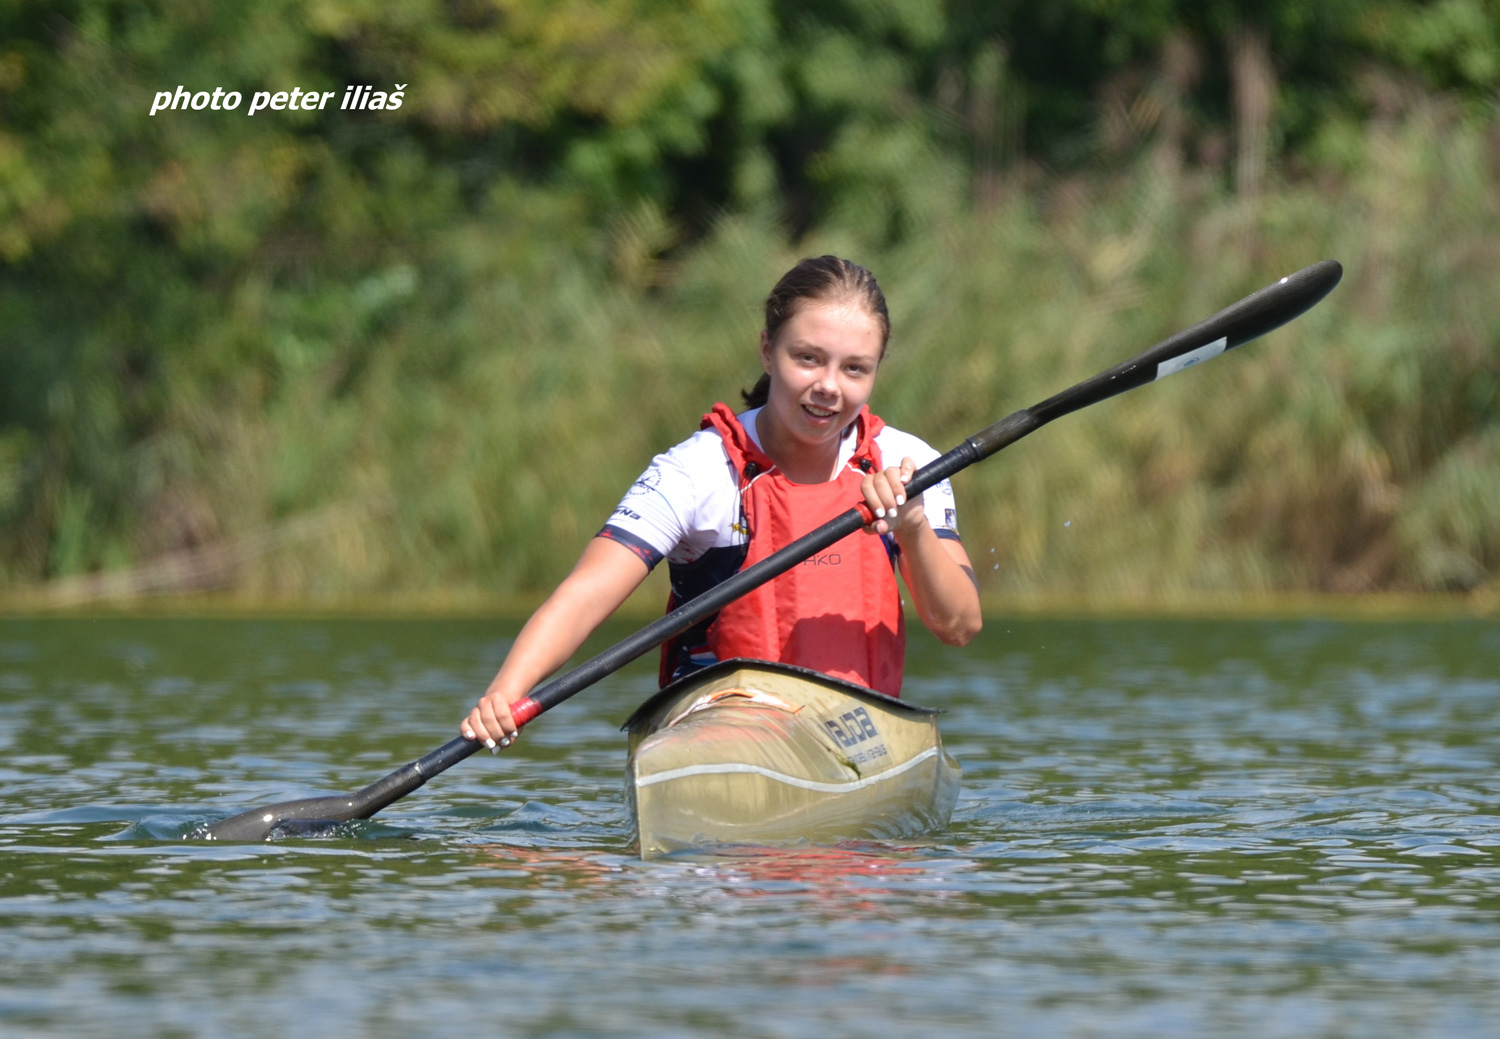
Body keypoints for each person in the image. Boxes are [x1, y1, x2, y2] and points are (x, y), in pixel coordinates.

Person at [462, 255, 981, 750]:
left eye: (854, 369)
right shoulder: (697, 471)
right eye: (807, 358)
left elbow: (959, 627)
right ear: (766, 350)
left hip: (860, 736)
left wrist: (911, 527)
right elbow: (585, 595)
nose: (828, 387)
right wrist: (507, 693)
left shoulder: (909, 462)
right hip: (717, 734)